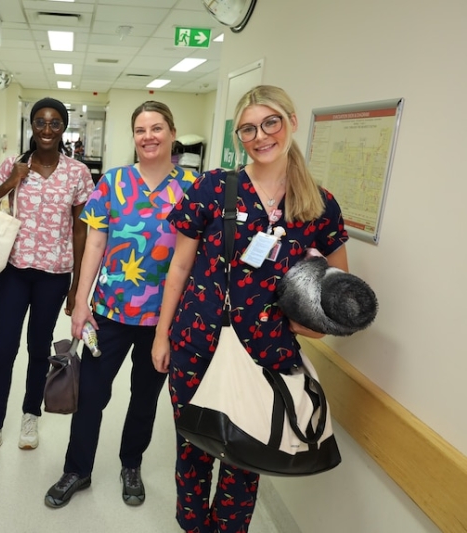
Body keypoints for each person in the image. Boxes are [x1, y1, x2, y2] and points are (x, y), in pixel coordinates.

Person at [152, 85, 350, 532]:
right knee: (193, 445)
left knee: (248, 452)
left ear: (292, 122)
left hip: (267, 351)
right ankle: (193, 525)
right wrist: (162, 334)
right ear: (239, 135)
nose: (260, 136)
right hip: (197, 341)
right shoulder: (213, 188)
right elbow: (180, 266)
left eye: (270, 122)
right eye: (248, 129)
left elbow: (338, 291)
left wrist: (312, 326)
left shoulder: (319, 205)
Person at [44, 101, 197, 509]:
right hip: (108, 313)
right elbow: (95, 242)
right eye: (141, 129)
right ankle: (77, 469)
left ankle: (131, 464)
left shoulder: (192, 187)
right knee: (91, 394)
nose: (149, 136)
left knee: (144, 399)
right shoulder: (113, 182)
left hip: (161, 320)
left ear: (172, 132)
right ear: (133, 137)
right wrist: (80, 303)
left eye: (157, 127)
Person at [0, 97, 94, 466]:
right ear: (31, 125)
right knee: (3, 350)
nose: (46, 129)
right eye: (39, 121)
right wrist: (12, 181)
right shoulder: (15, 164)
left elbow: (81, 229)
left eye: (54, 123)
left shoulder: (78, 173)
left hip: (54, 275)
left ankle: (30, 416)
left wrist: (76, 286)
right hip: (14, 270)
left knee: (39, 350)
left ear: (63, 129)